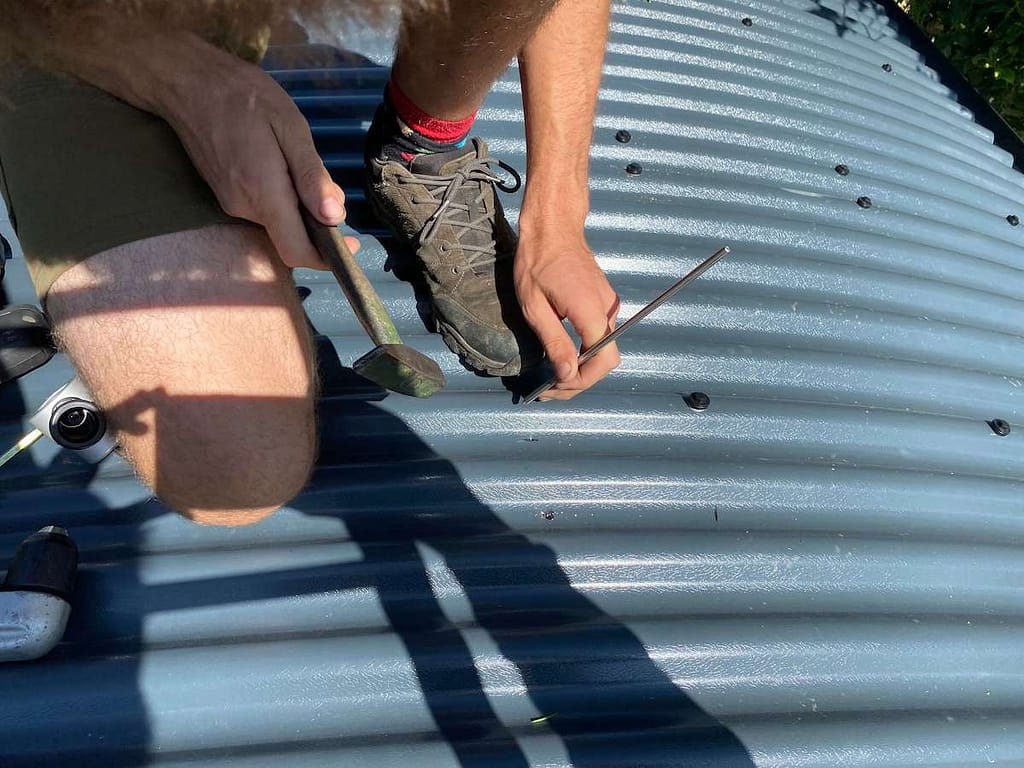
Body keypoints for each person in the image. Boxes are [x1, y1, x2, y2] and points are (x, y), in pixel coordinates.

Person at [0, 0, 621, 525]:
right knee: (234, 469)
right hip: (58, 21)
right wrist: (177, 76)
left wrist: (559, 218)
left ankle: (422, 147)